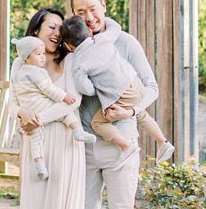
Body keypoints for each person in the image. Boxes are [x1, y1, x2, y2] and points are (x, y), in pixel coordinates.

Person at [69, 0, 159, 209]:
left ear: (103, 6)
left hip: (122, 143)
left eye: (93, 9)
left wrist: (133, 109)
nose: (89, 17)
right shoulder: (73, 46)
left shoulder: (126, 43)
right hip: (87, 145)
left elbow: (151, 86)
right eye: (81, 13)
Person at [8, 8, 92, 209]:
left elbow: (74, 100)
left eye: (60, 28)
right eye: (51, 27)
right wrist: (21, 114)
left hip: (65, 143)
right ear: (36, 32)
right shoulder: (21, 64)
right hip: (36, 146)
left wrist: (38, 118)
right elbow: (12, 101)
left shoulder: (70, 61)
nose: (57, 33)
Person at [60, 15, 174, 161]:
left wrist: (97, 86)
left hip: (120, 94)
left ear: (69, 47)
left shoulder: (78, 63)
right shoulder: (102, 39)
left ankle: (126, 146)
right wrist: (102, 19)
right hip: (135, 82)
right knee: (141, 114)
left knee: (98, 123)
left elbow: (86, 89)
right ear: (89, 31)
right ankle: (162, 142)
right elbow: (115, 28)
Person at [10, 34, 95, 180]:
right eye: (38, 54)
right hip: (40, 105)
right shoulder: (36, 72)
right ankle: (77, 131)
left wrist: (32, 117)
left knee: (34, 138)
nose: (42, 57)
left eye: (43, 53)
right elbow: (48, 89)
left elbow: (17, 95)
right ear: (26, 57)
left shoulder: (20, 73)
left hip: (31, 109)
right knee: (67, 114)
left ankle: (40, 165)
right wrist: (64, 96)